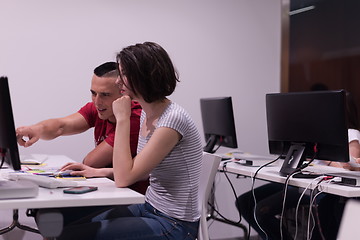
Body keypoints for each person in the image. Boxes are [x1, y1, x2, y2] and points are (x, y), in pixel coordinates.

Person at [54, 42, 203, 240]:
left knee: (72, 236)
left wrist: (122, 119)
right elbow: (141, 171)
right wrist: (100, 172)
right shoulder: (148, 113)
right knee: (64, 225)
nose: (118, 82)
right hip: (149, 207)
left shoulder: (171, 120)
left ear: (142, 77)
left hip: (173, 223)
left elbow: (125, 179)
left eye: (123, 74)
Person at [236, 90, 360, 240]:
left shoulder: (351, 133)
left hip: (314, 190)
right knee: (245, 202)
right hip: (301, 183)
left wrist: (326, 158)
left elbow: (348, 167)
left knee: (261, 212)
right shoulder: (322, 133)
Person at [16, 62, 148, 194]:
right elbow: (61, 126)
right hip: (110, 190)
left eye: (105, 95)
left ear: (124, 95)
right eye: (93, 93)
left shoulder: (134, 119)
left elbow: (91, 162)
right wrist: (36, 130)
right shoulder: (99, 108)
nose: (97, 102)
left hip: (132, 197)